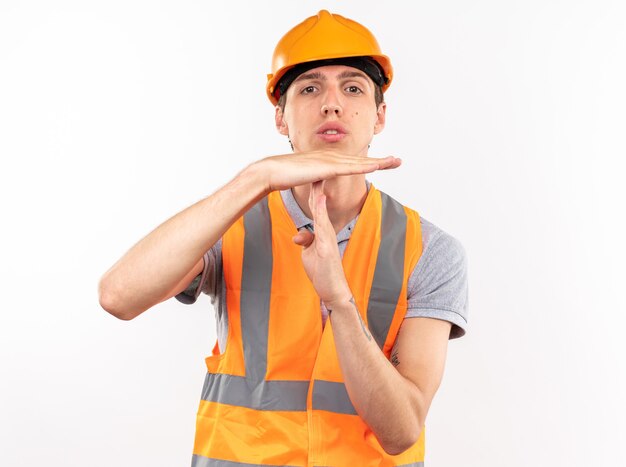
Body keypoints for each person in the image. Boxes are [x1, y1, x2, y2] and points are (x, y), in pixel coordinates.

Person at [99, 9, 468, 467]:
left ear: (379, 116)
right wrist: (253, 180)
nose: (332, 104)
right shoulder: (231, 222)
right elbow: (118, 296)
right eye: (310, 88)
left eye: (352, 88)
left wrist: (339, 302)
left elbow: (401, 429)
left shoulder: (429, 250)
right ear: (280, 118)